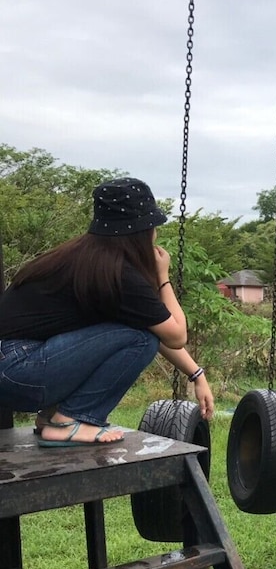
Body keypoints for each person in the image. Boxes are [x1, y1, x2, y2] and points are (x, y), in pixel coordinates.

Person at [0, 176, 214, 446]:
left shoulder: (85, 260)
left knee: (141, 333)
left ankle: (53, 417)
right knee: (142, 339)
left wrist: (196, 374)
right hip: (18, 370)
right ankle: (68, 422)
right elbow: (175, 335)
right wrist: (163, 277)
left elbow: (154, 325)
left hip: (13, 369)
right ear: (142, 231)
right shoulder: (119, 275)